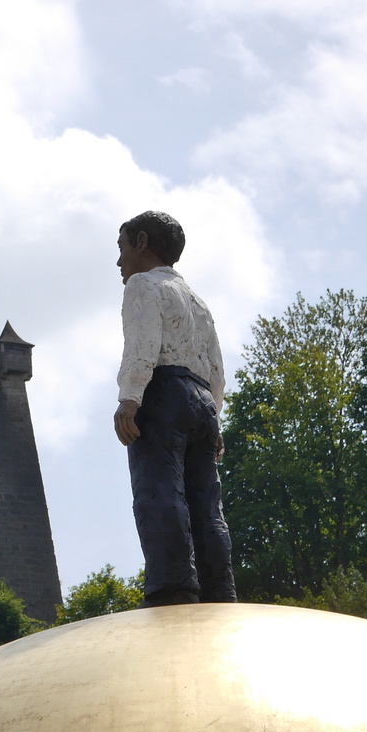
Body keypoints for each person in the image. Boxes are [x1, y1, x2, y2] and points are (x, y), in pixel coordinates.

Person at [112, 210, 236, 608]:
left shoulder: (142, 286)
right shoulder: (198, 301)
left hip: (163, 393)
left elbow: (142, 346)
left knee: (159, 492)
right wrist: (214, 418)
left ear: (142, 243)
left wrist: (129, 399)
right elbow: (216, 366)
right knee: (206, 503)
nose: (119, 262)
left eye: (122, 248)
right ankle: (220, 591)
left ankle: (173, 588)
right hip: (202, 400)